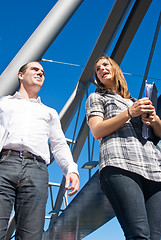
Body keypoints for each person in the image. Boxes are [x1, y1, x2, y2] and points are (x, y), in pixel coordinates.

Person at [0, 61, 79, 240]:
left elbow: (58, 144)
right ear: (21, 75)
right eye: (35, 69)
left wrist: (71, 169)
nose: (40, 73)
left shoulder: (49, 112)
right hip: (4, 164)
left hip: (37, 170)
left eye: (42, 72)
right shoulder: (3, 104)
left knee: (31, 235)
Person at [86, 56, 161, 240]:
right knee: (139, 234)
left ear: (115, 69)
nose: (101, 69)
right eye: (97, 69)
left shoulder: (136, 100)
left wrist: (155, 120)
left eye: (105, 64)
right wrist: (129, 113)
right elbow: (97, 130)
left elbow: (158, 134)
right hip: (120, 165)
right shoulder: (96, 97)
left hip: (153, 168)